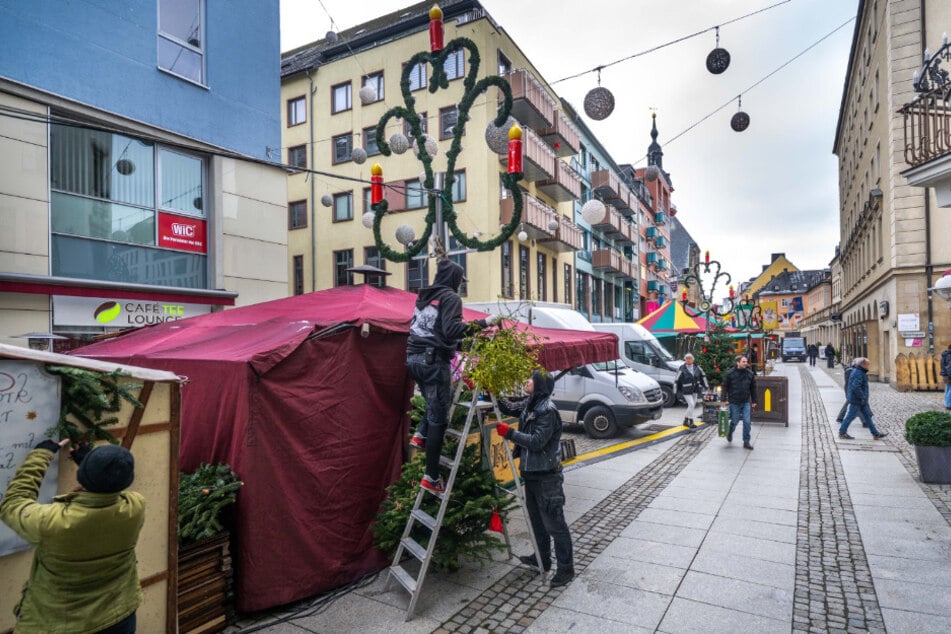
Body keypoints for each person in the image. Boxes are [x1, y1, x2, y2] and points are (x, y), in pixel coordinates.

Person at [0, 440, 145, 633]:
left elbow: (13, 503)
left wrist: (41, 454)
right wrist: (90, 465)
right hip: (119, 616)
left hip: (62, 625)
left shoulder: (54, 522)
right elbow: (111, 489)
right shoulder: (135, 507)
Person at [406, 258, 491, 494]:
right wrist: (484, 323)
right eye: (460, 281)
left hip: (413, 359)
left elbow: (434, 330)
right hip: (433, 362)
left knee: (435, 403)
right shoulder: (451, 298)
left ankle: (421, 434)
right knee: (440, 419)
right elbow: (452, 329)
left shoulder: (424, 297)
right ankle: (431, 477)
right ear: (454, 280)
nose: (461, 286)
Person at [496, 370, 574, 588]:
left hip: (546, 477)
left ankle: (566, 569)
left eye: (530, 379)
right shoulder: (531, 403)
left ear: (539, 385)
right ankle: (542, 559)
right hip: (530, 474)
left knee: (555, 524)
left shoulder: (547, 410)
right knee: (537, 522)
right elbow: (509, 407)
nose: (526, 381)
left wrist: (509, 433)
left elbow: (538, 441)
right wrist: (490, 392)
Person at [839, 357, 888, 440]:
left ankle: (876, 434)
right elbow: (856, 387)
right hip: (857, 400)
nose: (869, 366)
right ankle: (842, 433)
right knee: (850, 416)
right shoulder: (858, 373)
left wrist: (863, 399)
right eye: (868, 364)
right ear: (863, 364)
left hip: (861, 400)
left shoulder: (860, 372)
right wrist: (862, 397)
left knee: (867, 417)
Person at [720, 355, 758, 450]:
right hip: (734, 401)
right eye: (743, 362)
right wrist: (723, 399)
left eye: (746, 361)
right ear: (738, 362)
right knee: (735, 420)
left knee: (747, 421)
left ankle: (746, 441)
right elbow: (724, 386)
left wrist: (754, 400)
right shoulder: (730, 373)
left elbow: (753, 388)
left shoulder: (750, 374)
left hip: (745, 401)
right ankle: (730, 432)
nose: (746, 363)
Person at [675, 353, 708, 429]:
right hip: (686, 390)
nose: (688, 360)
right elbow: (677, 380)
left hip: (695, 389)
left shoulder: (697, 367)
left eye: (690, 358)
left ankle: (685, 421)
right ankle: (691, 421)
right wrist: (676, 391)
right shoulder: (681, 368)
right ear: (685, 360)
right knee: (692, 404)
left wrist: (706, 386)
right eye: (687, 358)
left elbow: (703, 376)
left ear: (693, 359)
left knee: (691, 406)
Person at [941, 343, 951, 411]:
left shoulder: (945, 355)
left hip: (945, 375)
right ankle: (949, 405)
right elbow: (949, 367)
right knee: (950, 390)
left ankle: (947, 403)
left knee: (948, 390)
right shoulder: (950, 356)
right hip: (949, 375)